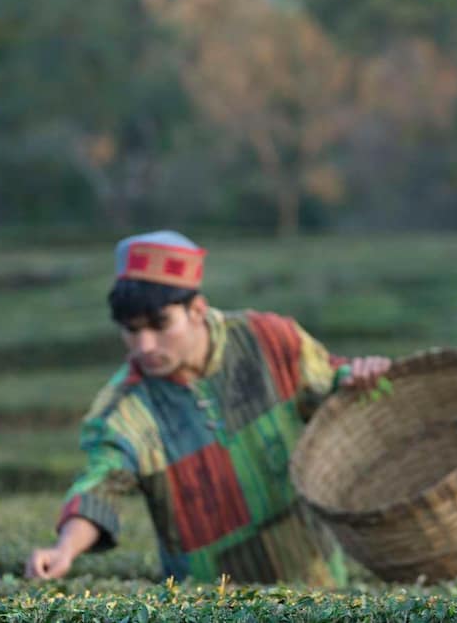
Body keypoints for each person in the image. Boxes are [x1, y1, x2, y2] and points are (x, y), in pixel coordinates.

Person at [25, 230, 392, 585]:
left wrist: (357, 378)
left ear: (197, 309)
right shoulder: (124, 410)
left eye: (159, 324)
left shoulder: (269, 341)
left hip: (316, 585)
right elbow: (101, 485)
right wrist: (65, 550)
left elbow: (330, 389)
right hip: (208, 602)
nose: (145, 345)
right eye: (131, 330)